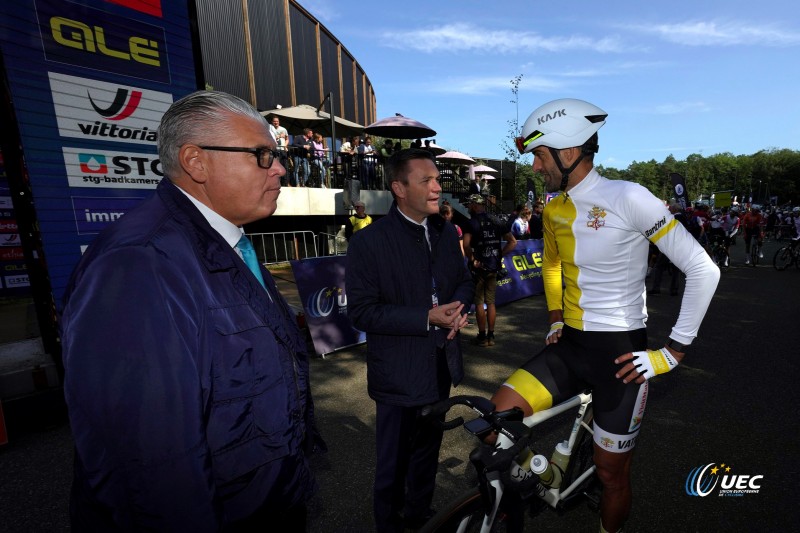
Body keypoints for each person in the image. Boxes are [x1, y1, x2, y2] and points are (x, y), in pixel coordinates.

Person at [60, 91, 323, 531]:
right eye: (262, 155)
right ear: (196, 162)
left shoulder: (221, 238)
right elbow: (151, 461)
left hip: (259, 503)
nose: (280, 168)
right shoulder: (141, 263)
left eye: (276, 157)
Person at [494, 98, 719, 533]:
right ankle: (543, 476)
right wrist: (556, 317)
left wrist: (673, 352)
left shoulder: (629, 196)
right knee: (493, 423)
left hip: (621, 360)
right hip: (570, 345)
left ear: (569, 151)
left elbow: (702, 268)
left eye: (541, 156)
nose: (537, 168)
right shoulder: (555, 208)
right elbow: (553, 265)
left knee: (612, 476)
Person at [345, 148, 474, 532]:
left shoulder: (446, 233)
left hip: (439, 367)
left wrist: (460, 307)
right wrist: (425, 317)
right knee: (393, 465)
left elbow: (464, 281)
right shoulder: (369, 243)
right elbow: (362, 312)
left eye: (437, 180)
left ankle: (420, 518)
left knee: (426, 457)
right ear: (399, 188)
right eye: (427, 181)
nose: (438, 188)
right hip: (398, 377)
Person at [463, 194, 517, 347]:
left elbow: (466, 245)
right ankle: (491, 336)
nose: (468, 207)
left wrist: (472, 259)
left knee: (480, 303)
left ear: (474, 205)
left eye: (469, 204)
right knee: (491, 302)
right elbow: (513, 242)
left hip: (479, 267)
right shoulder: (496, 220)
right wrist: (499, 254)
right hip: (494, 266)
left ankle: (481, 336)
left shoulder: (470, 222)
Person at [269, 116, 289, 186]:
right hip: (275, 150)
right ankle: (277, 183)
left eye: (277, 121)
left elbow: (287, 139)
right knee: (276, 166)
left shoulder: (283, 129)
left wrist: (285, 146)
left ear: (279, 122)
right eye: (274, 121)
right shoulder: (270, 129)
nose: (276, 122)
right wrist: (279, 136)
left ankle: (285, 183)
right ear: (272, 122)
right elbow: (270, 138)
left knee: (285, 166)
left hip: (282, 150)